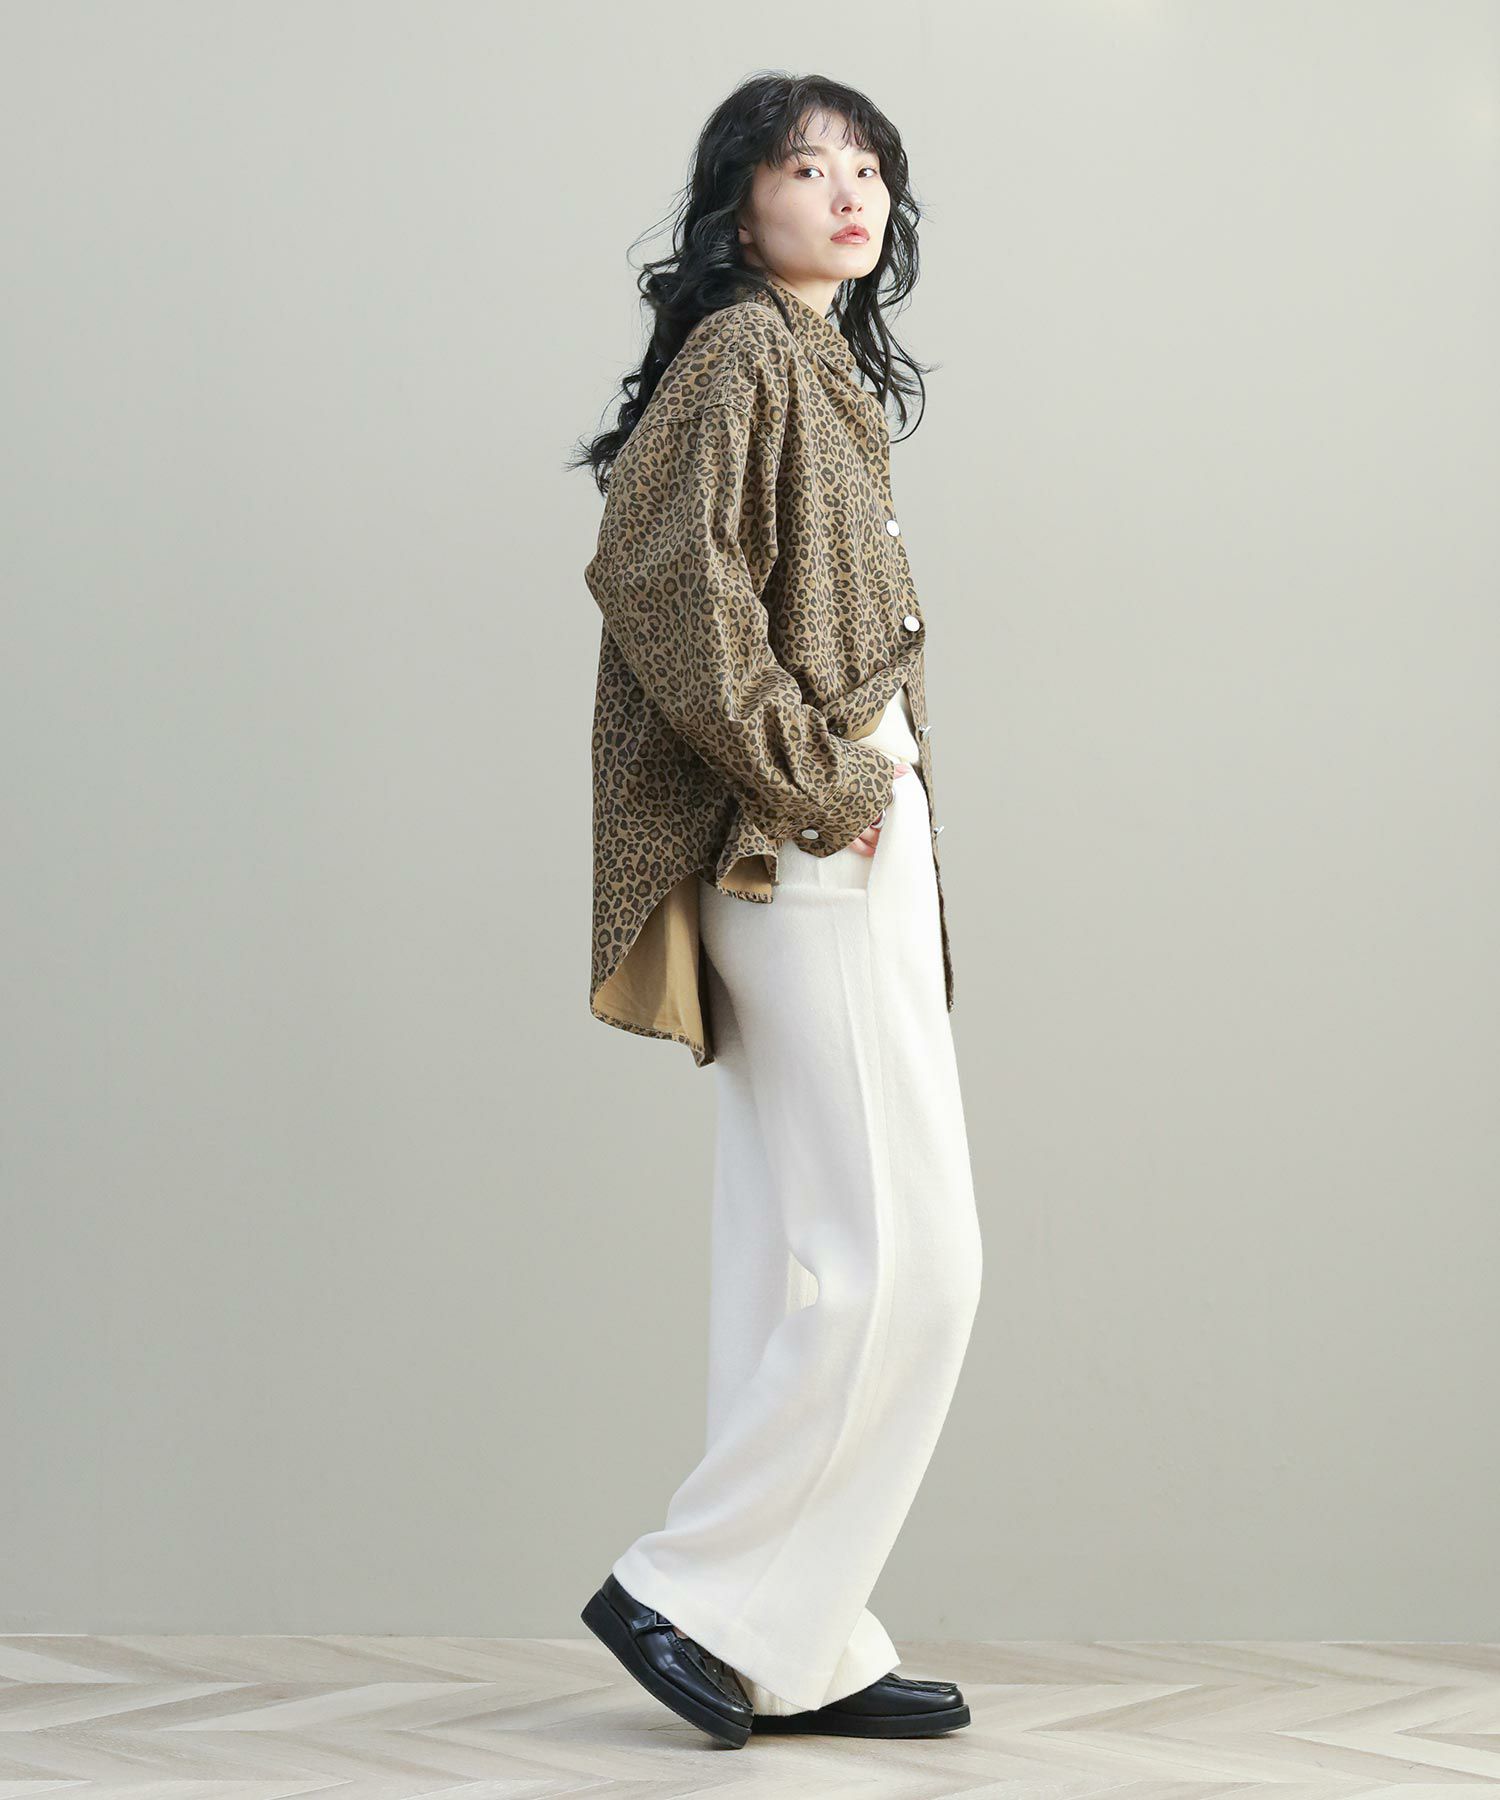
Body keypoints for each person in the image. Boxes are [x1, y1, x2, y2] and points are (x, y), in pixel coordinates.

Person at [567, 73, 983, 1748]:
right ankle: (691, 1591)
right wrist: (823, 781)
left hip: (829, 833)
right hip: (803, 840)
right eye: (807, 166)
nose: (847, 191)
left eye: (868, 166)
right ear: (741, 202)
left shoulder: (815, 367)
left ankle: (787, 1642)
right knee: (914, 1258)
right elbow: (658, 569)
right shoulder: (745, 349)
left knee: (805, 1253)